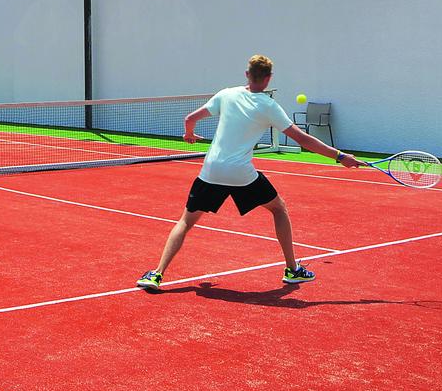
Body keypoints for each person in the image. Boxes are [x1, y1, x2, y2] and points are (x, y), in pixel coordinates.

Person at [136, 54, 361, 292]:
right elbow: (303, 139)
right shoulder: (269, 106)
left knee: (185, 221)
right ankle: (293, 270)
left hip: (211, 170)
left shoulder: (226, 94)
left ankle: (156, 274)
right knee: (278, 209)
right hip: (241, 174)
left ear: (247, 74)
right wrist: (340, 156)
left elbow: (189, 118)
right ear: (268, 78)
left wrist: (189, 134)